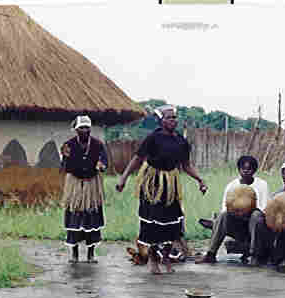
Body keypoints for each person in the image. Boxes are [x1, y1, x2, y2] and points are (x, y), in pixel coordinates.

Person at [115, 105, 207, 274]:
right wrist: (123, 178)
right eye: (169, 118)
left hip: (171, 184)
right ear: (160, 121)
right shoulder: (153, 138)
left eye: (174, 117)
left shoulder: (181, 141)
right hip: (151, 183)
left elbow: (186, 165)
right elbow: (137, 158)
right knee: (152, 223)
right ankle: (153, 259)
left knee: (172, 222)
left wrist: (200, 180)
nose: (173, 120)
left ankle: (166, 258)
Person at [198, 155, 270, 264]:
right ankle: (211, 254)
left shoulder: (262, 185)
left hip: (255, 226)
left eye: (249, 169)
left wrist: (248, 209)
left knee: (256, 215)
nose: (246, 171)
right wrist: (237, 212)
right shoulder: (232, 186)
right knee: (223, 216)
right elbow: (224, 208)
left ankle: (254, 254)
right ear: (239, 170)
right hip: (238, 225)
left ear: (254, 170)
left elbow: (264, 210)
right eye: (243, 169)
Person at [59, 115, 110, 263]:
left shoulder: (97, 144)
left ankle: (90, 254)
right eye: (82, 128)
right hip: (74, 184)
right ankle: (74, 254)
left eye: (87, 128)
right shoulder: (68, 144)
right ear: (76, 130)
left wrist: (101, 165)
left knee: (91, 217)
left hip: (92, 185)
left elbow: (104, 161)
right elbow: (63, 167)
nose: (85, 130)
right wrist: (65, 156)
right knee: (74, 218)